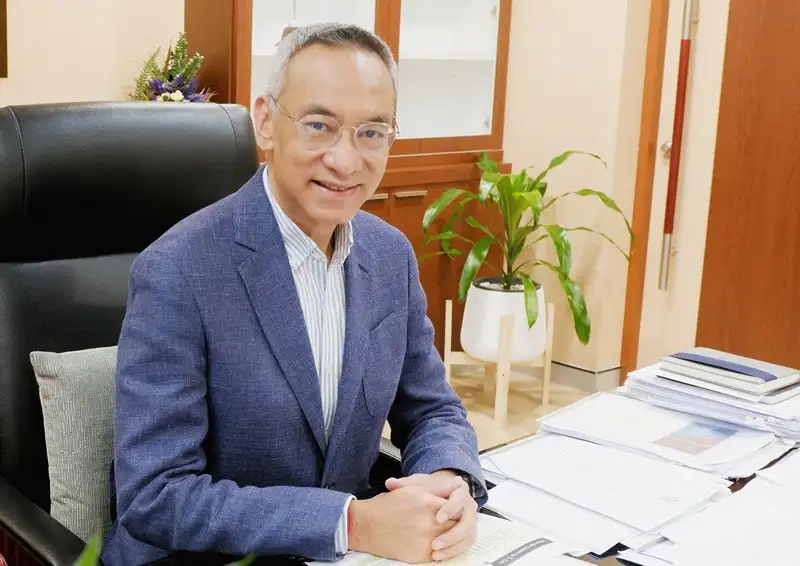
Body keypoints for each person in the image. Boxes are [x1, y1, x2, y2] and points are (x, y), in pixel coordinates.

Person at [101, 22, 486, 566]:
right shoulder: (177, 270)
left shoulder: (390, 255)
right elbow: (155, 496)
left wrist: (446, 479)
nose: (346, 161)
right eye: (319, 125)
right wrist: (350, 523)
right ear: (265, 121)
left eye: (372, 132)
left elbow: (432, 409)